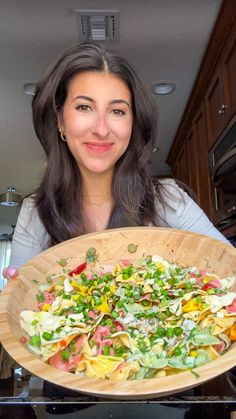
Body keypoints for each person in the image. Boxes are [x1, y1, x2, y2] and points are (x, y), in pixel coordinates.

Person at [2, 42, 230, 417]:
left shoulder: (168, 198)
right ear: (60, 121)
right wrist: (17, 294)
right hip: (71, 401)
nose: (102, 127)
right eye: (84, 107)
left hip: (173, 396)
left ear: (133, 124)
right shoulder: (34, 211)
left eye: (118, 111)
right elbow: (25, 319)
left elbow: (229, 271)